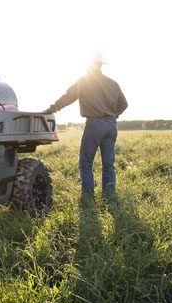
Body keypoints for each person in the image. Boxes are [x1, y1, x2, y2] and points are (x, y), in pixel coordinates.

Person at [45, 53, 127, 200]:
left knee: (86, 162)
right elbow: (124, 104)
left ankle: (88, 197)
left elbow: (67, 97)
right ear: (101, 65)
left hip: (94, 125)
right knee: (109, 163)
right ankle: (109, 196)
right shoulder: (113, 83)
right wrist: (114, 115)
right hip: (111, 125)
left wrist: (51, 109)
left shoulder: (84, 82)